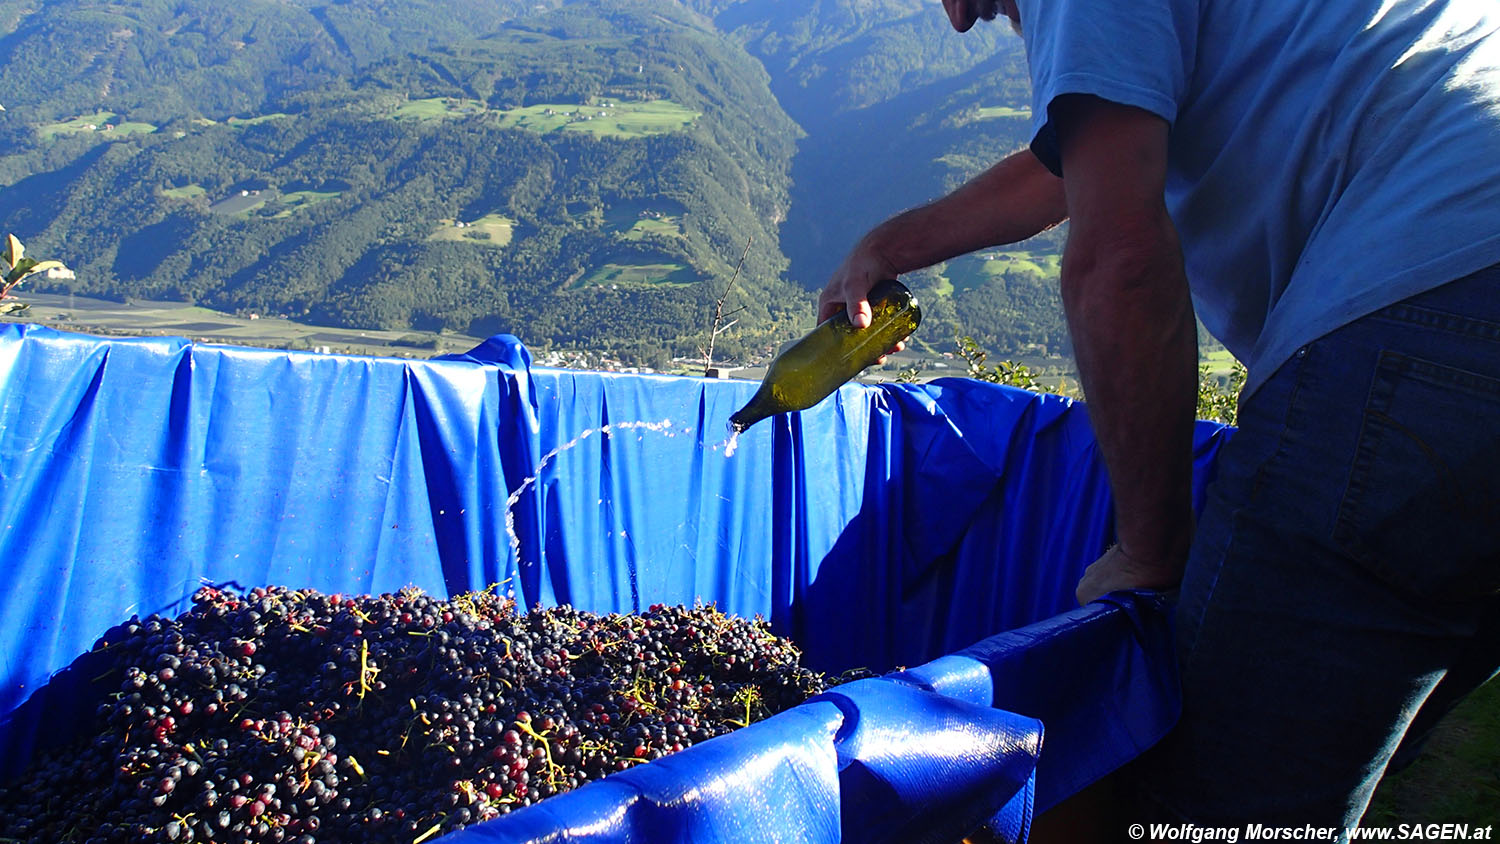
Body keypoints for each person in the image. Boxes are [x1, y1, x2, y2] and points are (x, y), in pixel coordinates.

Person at [819, 0, 1500, 834]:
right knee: (1309, 769)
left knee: (1206, 796)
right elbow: (1072, 168)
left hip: (1432, 302)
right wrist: (890, 246)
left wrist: (1149, 548)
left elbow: (1120, 263)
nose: (963, 19)